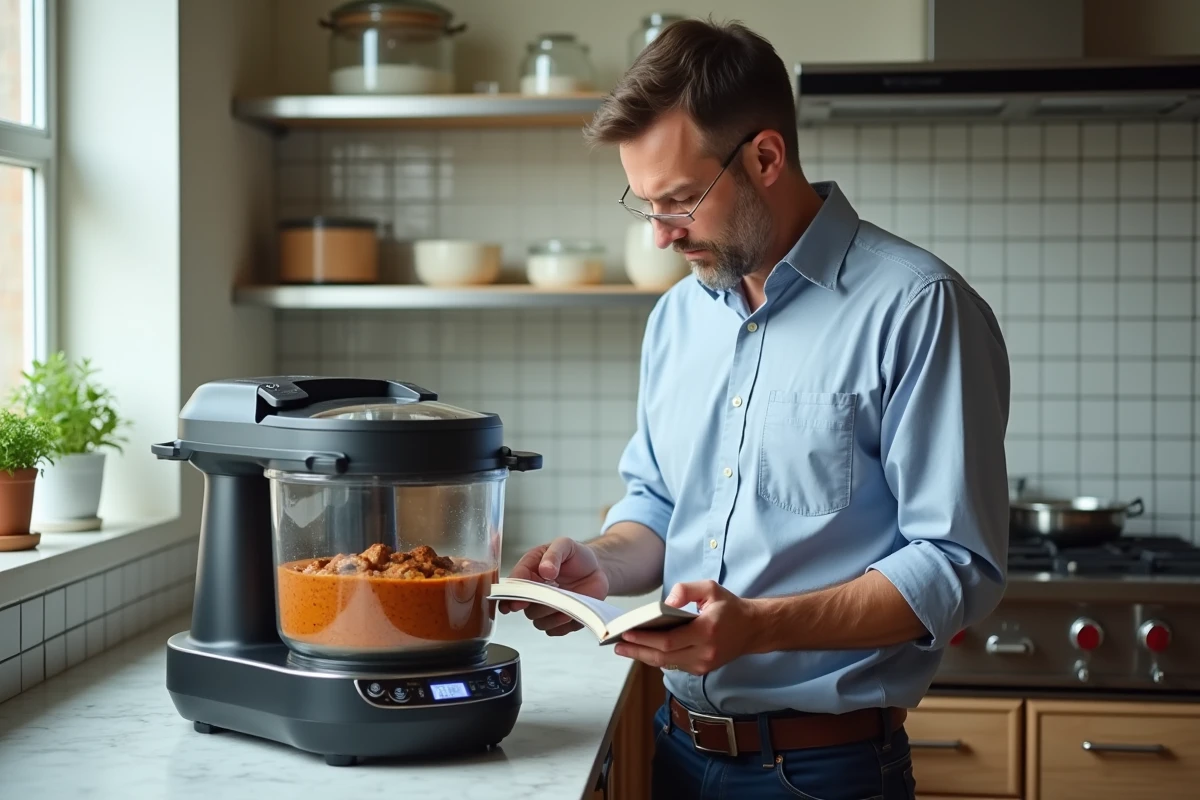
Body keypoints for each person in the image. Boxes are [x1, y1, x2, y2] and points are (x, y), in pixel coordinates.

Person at [499, 17, 1011, 800]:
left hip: (824, 772)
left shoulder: (917, 308)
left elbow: (955, 565)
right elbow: (659, 507)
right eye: (645, 206)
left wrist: (758, 627)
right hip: (676, 753)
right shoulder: (677, 318)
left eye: (680, 201)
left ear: (766, 157)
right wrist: (599, 565)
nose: (662, 236)